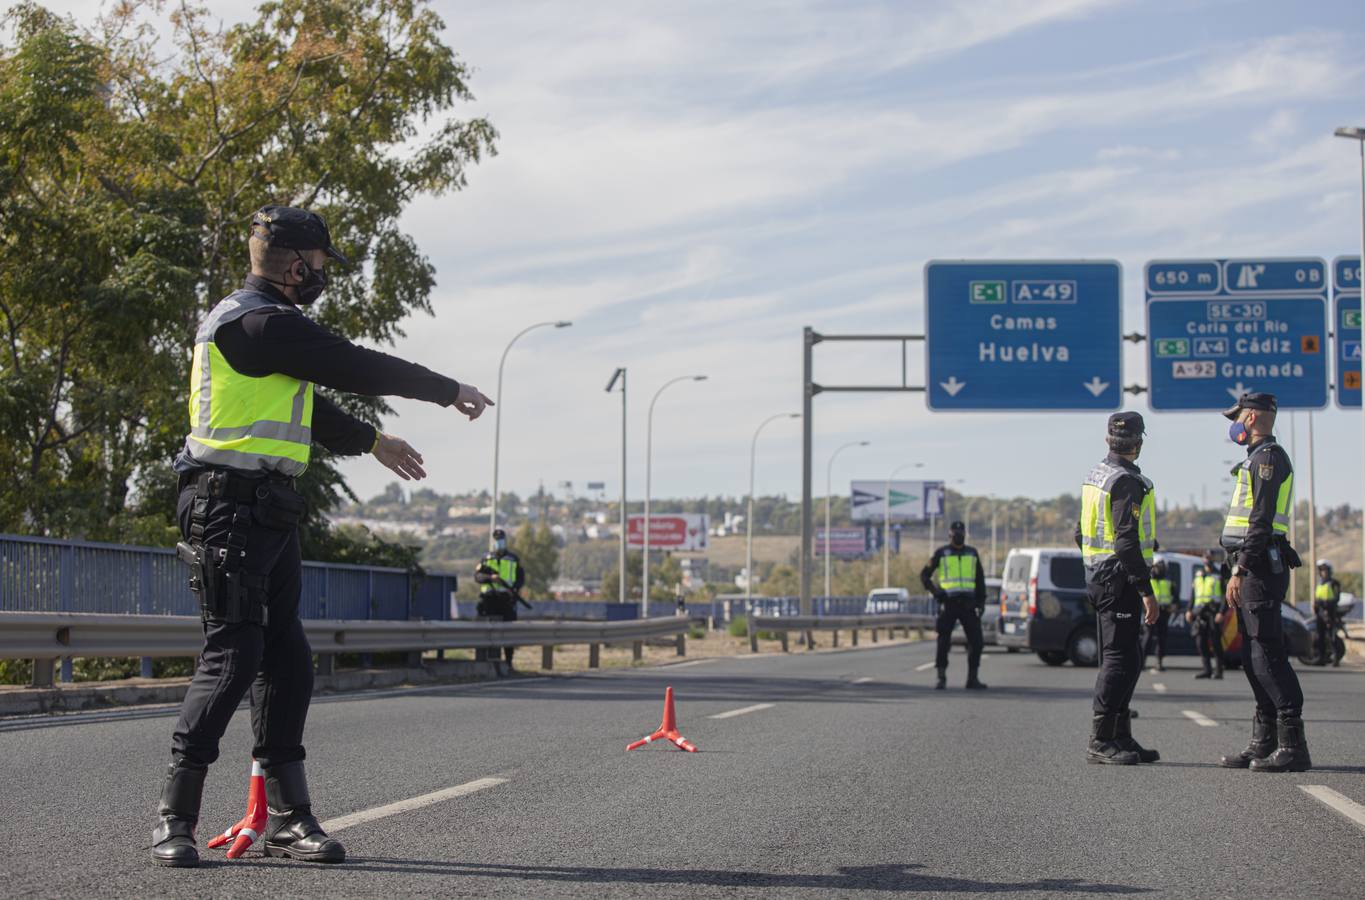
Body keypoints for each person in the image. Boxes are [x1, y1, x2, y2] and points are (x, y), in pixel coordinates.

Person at [153, 206, 493, 867]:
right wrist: (447, 389)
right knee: (232, 661)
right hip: (225, 507)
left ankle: (289, 820)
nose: (321, 279)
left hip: (268, 508)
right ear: (296, 263)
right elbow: (354, 366)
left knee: (288, 665)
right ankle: (174, 818)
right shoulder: (256, 321)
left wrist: (371, 441)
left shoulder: (266, 329)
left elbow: (308, 407)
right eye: (319, 266)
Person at [1216, 392, 1309, 773]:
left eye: (1237, 416)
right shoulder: (1255, 459)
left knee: (1267, 655)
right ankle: (1263, 741)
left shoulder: (1268, 459)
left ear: (1251, 417)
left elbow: (1261, 520)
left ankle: (1293, 746)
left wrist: (1240, 570)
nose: (1233, 423)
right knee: (1253, 657)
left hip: (1258, 568)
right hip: (1252, 565)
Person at [1074, 411, 1160, 765]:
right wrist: (1146, 590)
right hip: (1119, 578)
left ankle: (1121, 736)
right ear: (1139, 443)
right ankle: (1101, 740)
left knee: (1129, 657)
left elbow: (1080, 533)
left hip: (1100, 575)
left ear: (1109, 440)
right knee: (1119, 660)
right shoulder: (1126, 482)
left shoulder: (1097, 476)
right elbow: (1127, 544)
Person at [921, 520, 988, 690]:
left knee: (977, 642)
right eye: (955, 534)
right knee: (944, 641)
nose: (958, 536)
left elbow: (980, 580)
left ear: (965, 535)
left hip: (968, 604)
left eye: (961, 534)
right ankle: (941, 677)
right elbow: (924, 575)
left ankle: (972, 678)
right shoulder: (941, 553)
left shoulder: (972, 553)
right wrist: (937, 593)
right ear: (950, 535)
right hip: (948, 604)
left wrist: (981, 602)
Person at [475, 528, 531, 672]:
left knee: (507, 632)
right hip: (489, 599)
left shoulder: (513, 559)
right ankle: (487, 660)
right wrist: (490, 578)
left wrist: (514, 590)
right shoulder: (486, 559)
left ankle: (508, 662)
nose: (498, 543)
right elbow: (478, 577)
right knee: (487, 631)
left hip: (506, 599)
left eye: (501, 540)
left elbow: (520, 579)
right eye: (496, 540)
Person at [1188, 553, 1225, 680]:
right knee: (1200, 642)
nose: (1207, 561)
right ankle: (1207, 670)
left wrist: (1221, 612)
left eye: (1209, 558)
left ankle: (1219, 671)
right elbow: (1193, 595)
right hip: (1199, 612)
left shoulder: (1218, 575)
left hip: (1213, 612)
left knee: (1215, 642)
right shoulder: (1198, 576)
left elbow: (1224, 597)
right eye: (1205, 558)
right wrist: (1189, 610)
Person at [1143, 559, 1175, 671]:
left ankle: (1159, 662)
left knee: (1162, 638)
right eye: (1157, 566)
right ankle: (1142, 662)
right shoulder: (1148, 579)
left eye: (1161, 566)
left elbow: (1175, 596)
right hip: (1150, 612)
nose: (1158, 569)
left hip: (1164, 613)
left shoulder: (1168, 581)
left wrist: (1174, 605)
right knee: (1148, 637)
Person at [1312, 559, 1342, 666]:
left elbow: (1336, 598)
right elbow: (1317, 598)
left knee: (1331, 636)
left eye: (1325, 570)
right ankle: (1321, 658)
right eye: (1321, 570)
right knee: (1320, 636)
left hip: (1329, 613)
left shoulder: (1334, 583)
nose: (1323, 572)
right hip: (1319, 614)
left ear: (1329, 571)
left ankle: (1336, 659)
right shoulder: (1319, 584)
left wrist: (1324, 604)